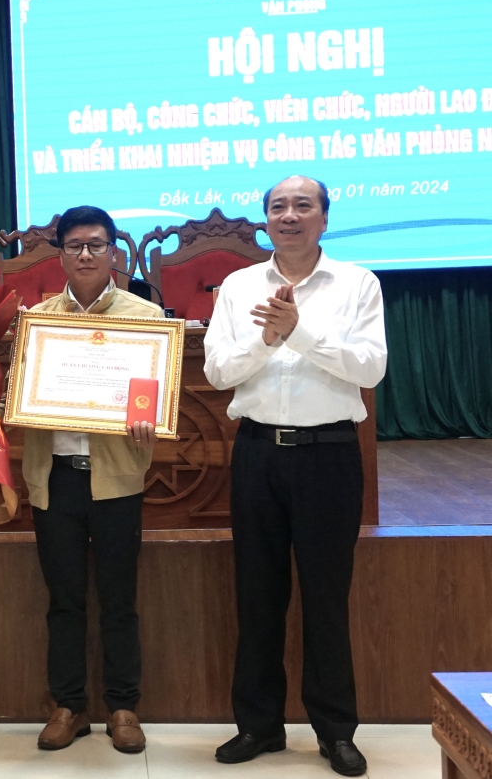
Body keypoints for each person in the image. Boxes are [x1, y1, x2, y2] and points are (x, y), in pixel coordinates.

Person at [205, 175, 387, 777]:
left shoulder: (358, 284)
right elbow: (218, 372)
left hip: (329, 455)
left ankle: (335, 732)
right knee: (258, 595)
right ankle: (258, 726)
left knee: (326, 597)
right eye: (278, 206)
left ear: (324, 218)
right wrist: (267, 338)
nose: (289, 215)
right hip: (258, 453)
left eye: (302, 205)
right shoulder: (238, 286)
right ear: (265, 220)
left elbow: (370, 367)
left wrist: (299, 332)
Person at [22, 205, 161, 754]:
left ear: (113, 253)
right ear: (60, 254)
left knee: (119, 598)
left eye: (96, 245)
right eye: (75, 245)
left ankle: (123, 706)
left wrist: (149, 416)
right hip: (55, 478)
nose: (85, 254)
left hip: (116, 478)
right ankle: (69, 705)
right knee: (64, 600)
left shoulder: (144, 317)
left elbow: (154, 394)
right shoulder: (37, 320)